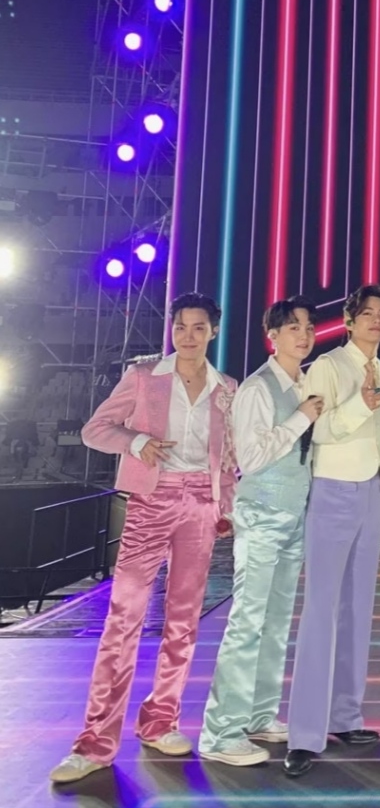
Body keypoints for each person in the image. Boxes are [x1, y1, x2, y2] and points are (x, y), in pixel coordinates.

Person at [50, 293, 237, 784]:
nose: (188, 336)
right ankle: (94, 742)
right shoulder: (144, 376)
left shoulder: (226, 388)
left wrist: (225, 506)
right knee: (124, 618)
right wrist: (137, 442)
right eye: (181, 327)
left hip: (201, 506)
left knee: (184, 622)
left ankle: (160, 720)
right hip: (152, 500)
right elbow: (95, 429)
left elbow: (228, 456)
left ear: (213, 331)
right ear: (172, 330)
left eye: (198, 327)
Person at [198, 296, 323, 765]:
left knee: (276, 622)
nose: (304, 335)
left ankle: (258, 714)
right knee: (248, 622)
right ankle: (220, 733)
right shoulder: (257, 388)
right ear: (272, 336)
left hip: (294, 514)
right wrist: (301, 418)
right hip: (261, 514)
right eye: (293, 327)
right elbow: (250, 458)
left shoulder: (306, 384)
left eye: (308, 327)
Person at [284, 284, 380, 778]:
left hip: (373, 493)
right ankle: (304, 734)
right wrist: (360, 406)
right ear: (349, 321)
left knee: (358, 609)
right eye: (366, 313)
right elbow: (318, 430)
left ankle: (346, 716)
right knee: (320, 611)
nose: (376, 320)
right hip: (331, 489)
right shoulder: (328, 366)